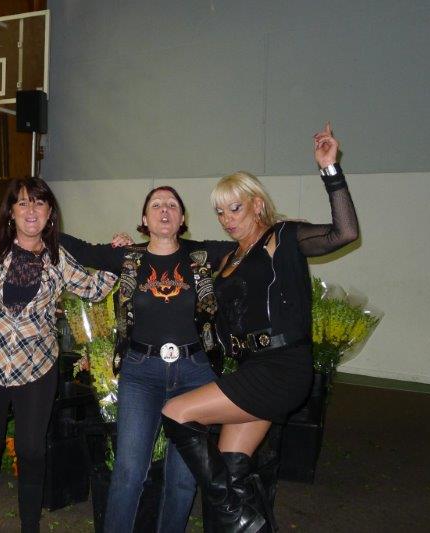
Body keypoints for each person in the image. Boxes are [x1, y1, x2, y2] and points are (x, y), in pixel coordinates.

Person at [160, 123, 359, 532]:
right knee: (232, 469)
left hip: (282, 366)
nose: (227, 219)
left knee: (176, 414)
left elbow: (345, 232)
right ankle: (249, 520)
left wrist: (330, 170)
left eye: (234, 208)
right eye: (220, 212)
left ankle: (242, 518)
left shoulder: (281, 237)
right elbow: (175, 254)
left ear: (255, 204)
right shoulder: (230, 257)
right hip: (253, 368)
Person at [58, 188, 231, 533]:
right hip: (141, 373)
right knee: (128, 473)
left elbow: (252, 243)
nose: (164, 210)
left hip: (195, 374)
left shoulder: (203, 254)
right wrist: (35, 222)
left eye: (172, 205)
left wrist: (279, 229)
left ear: (182, 218)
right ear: (143, 219)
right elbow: (79, 248)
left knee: (183, 479)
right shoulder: (128, 258)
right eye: (156, 205)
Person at [0, 177, 117, 533]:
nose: (31, 210)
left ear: (50, 212)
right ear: (10, 211)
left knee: (32, 450)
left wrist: (119, 256)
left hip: (36, 366)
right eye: (23, 202)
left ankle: (31, 524)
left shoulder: (58, 257)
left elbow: (93, 289)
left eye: (39, 203)